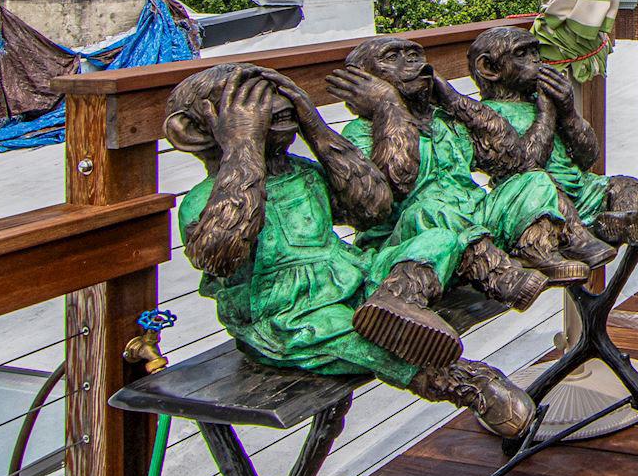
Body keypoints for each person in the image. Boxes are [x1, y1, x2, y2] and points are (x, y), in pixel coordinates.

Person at [166, 63, 535, 439]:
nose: (272, 106)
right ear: (193, 131)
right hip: (285, 312)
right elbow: (222, 255)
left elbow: (371, 208)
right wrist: (242, 145)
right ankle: (463, 381)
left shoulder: (305, 173)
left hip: (353, 276)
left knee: (438, 238)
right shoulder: (203, 200)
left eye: (275, 93)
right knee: (351, 335)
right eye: (247, 101)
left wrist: (316, 128)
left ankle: (397, 303)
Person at [327, 35, 592, 311]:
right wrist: (388, 106)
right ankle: (499, 275)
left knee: (532, 181)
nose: (412, 64)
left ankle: (537, 250)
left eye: (415, 55)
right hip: (415, 241)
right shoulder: (359, 133)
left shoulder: (444, 119)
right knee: (431, 209)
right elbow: (395, 183)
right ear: (363, 80)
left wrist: (451, 97)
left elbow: (512, 158)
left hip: (475, 219)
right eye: (393, 58)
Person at [459, 26, 638, 249]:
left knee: (631, 187)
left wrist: (568, 112)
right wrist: (546, 114)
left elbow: (589, 158)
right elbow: (525, 166)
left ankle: (621, 221)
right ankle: (600, 229)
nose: (536, 61)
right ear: (489, 68)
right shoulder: (488, 116)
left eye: (535, 53)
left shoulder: (541, 100)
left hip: (583, 190)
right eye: (522, 55)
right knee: (548, 189)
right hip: (539, 200)